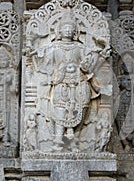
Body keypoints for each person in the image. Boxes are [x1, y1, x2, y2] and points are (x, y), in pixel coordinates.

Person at [36, 10, 95, 151]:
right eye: (65, 28)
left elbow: (87, 66)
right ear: (59, 30)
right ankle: (57, 140)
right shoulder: (53, 47)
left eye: (70, 29)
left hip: (78, 82)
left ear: (75, 31)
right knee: (60, 109)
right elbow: (45, 66)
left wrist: (87, 61)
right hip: (61, 83)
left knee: (80, 108)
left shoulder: (80, 47)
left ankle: (74, 141)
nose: (68, 31)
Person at [116, 56, 134, 152]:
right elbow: (114, 90)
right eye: (126, 65)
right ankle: (125, 144)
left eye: (130, 65)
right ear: (123, 67)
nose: (128, 67)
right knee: (121, 121)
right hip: (122, 100)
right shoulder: (119, 78)